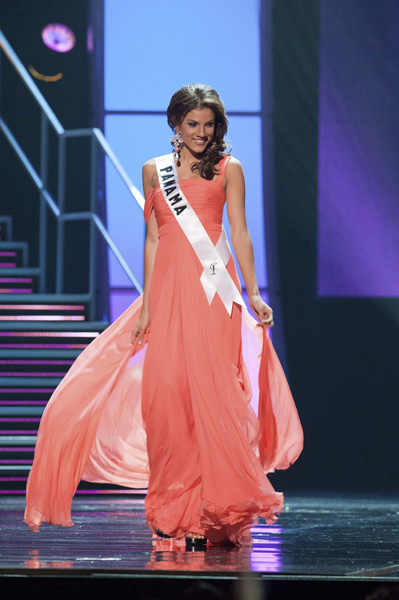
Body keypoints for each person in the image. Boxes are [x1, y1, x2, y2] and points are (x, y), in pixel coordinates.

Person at [24, 84, 303, 546]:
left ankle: (210, 514)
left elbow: (240, 233)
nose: (200, 132)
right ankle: (175, 509)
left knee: (212, 401)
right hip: (170, 292)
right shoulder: (154, 170)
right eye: (192, 124)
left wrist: (253, 292)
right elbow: (153, 239)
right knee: (168, 400)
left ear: (218, 127)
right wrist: (147, 305)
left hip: (214, 293)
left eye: (208, 124)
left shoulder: (229, 169)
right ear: (176, 123)